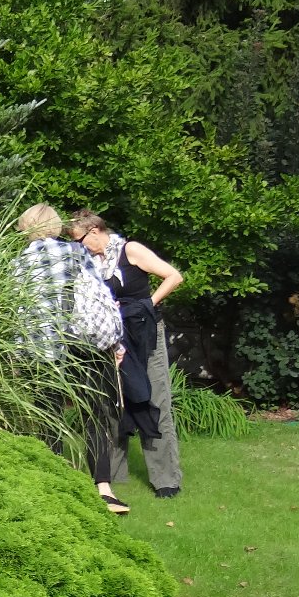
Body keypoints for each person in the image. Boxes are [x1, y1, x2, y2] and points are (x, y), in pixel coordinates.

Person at [12, 203, 130, 514]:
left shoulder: (21, 263)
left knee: (50, 415)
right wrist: (116, 343)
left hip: (45, 348)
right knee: (94, 414)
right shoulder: (77, 253)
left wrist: (17, 354)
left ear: (27, 228)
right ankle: (103, 489)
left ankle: (57, 486)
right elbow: (99, 298)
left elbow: (20, 313)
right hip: (86, 345)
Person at [68, 210, 185, 498]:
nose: (79, 246)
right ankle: (111, 476)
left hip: (144, 335)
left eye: (80, 239)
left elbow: (173, 277)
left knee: (155, 399)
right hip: (111, 338)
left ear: (95, 230)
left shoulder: (130, 250)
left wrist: (144, 305)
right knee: (112, 403)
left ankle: (166, 480)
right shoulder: (90, 262)